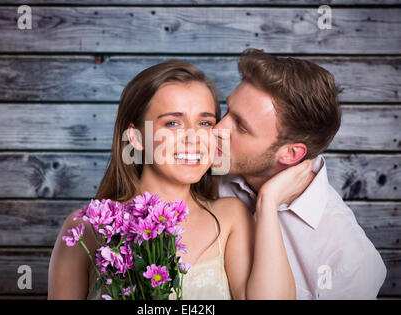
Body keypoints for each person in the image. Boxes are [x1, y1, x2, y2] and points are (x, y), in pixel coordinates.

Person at [48, 60, 313, 300]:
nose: (194, 138)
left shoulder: (230, 217)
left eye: (206, 123)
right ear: (136, 138)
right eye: (173, 124)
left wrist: (267, 202)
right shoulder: (85, 228)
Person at [215, 48, 387, 299]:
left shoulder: (349, 261)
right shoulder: (206, 170)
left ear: (291, 154)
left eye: (241, 126)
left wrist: (267, 201)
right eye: (227, 110)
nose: (217, 129)